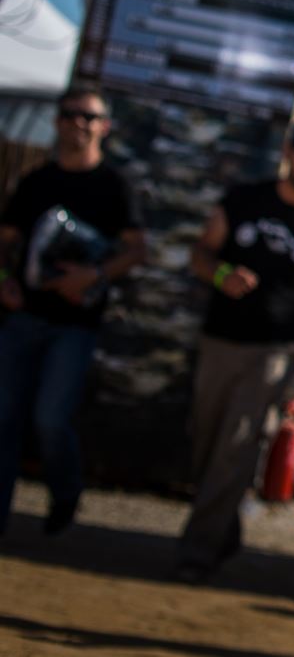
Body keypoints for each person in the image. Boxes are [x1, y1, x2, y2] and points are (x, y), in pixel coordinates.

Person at [174, 121, 294, 579]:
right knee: (206, 440)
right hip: (221, 337)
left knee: (237, 443)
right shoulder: (245, 199)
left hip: (276, 350)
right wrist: (221, 276)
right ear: (290, 152)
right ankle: (224, 528)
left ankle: (197, 552)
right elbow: (201, 254)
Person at [0, 84, 145, 536]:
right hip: (23, 315)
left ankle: (65, 491)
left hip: (75, 325)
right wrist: (5, 280)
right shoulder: (37, 181)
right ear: (56, 122)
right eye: (69, 115)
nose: (78, 124)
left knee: (49, 419)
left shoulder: (113, 186)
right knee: (3, 418)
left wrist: (92, 276)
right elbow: (5, 240)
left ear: (104, 127)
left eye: (88, 117)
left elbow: (136, 250)